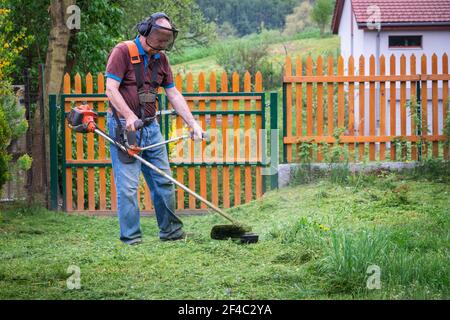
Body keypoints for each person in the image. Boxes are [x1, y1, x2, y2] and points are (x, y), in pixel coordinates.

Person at [105, 12, 204, 244]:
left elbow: (173, 93)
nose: (162, 45)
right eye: (158, 38)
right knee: (128, 187)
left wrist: (193, 123)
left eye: (165, 40)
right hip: (124, 129)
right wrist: (128, 116)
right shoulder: (123, 51)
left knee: (163, 181)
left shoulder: (161, 59)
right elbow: (111, 88)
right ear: (145, 31)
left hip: (152, 128)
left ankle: (171, 232)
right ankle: (131, 239)